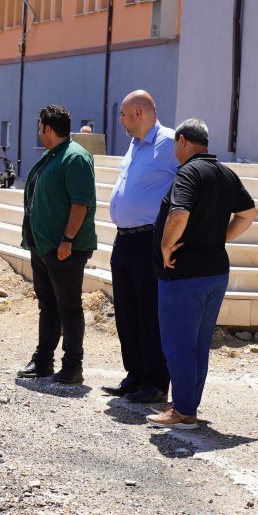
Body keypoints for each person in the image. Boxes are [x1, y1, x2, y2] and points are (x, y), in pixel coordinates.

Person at [146, 120, 258, 429]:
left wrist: (166, 246)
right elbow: (249, 214)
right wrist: (221, 238)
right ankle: (186, 403)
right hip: (215, 271)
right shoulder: (225, 173)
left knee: (178, 345)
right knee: (196, 345)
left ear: (182, 140)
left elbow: (179, 214)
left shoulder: (188, 173)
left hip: (184, 274)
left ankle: (184, 412)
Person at [102, 90, 179, 404]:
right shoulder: (134, 145)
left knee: (149, 312)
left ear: (138, 113)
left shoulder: (170, 143)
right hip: (124, 239)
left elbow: (190, 183)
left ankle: (156, 381)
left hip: (150, 239)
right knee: (126, 311)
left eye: (122, 114)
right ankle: (134, 375)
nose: (120, 120)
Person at [17, 104, 98, 384]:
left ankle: (72, 366)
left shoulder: (75, 158)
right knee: (48, 306)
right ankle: (43, 361)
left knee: (69, 308)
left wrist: (67, 240)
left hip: (64, 249)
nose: (38, 132)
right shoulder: (52, 156)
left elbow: (81, 203)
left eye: (40, 127)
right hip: (43, 246)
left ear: (48, 129)